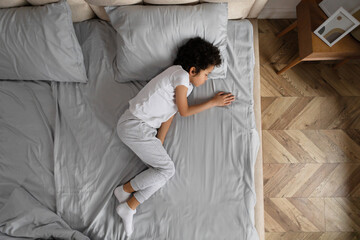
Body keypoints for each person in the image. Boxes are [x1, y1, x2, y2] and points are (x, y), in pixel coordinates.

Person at [114, 37, 235, 237]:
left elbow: (171, 113)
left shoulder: (186, 85)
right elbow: (184, 111)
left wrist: (159, 142)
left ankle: (127, 200)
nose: (207, 79)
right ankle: (127, 198)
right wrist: (213, 102)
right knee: (167, 170)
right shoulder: (179, 74)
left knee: (164, 172)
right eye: (206, 74)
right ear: (193, 70)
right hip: (133, 125)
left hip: (142, 129)